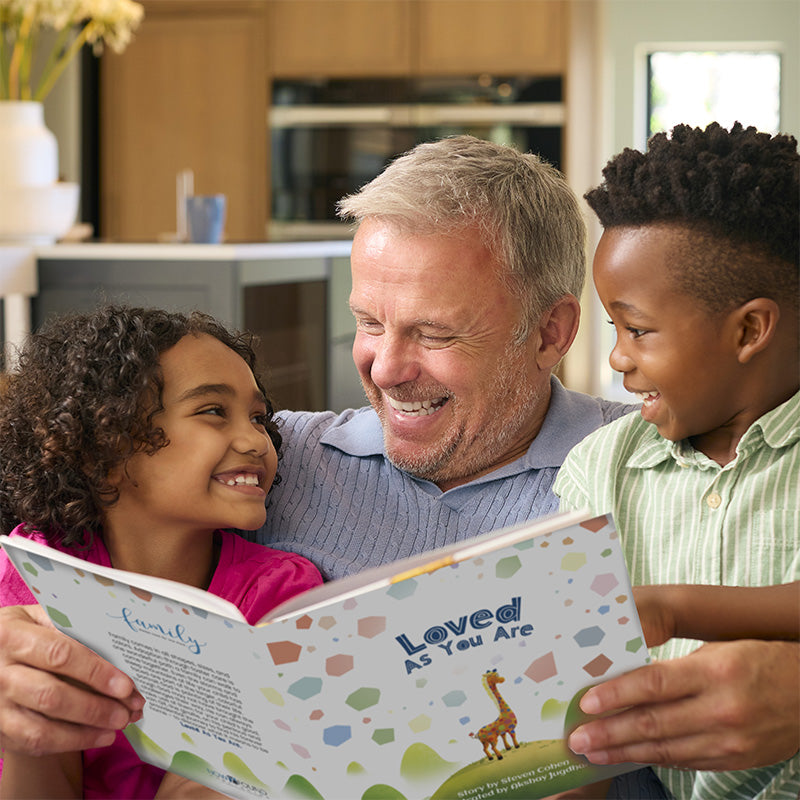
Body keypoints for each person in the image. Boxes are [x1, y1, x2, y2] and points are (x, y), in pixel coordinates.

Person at [0, 135, 797, 793]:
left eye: (436, 335)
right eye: (369, 322)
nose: (383, 368)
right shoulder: (271, 458)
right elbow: (85, 494)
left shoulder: (666, 457)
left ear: (552, 333)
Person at [554, 122, 800, 799]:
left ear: (749, 329)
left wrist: (674, 607)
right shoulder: (599, 469)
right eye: (615, 329)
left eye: (637, 329)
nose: (617, 358)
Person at [0, 306, 322, 799]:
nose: (255, 440)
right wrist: (29, 731)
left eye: (258, 418)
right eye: (214, 410)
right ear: (103, 446)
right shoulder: (32, 569)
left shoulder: (281, 591)